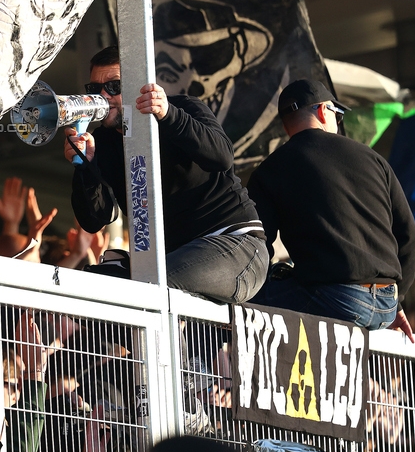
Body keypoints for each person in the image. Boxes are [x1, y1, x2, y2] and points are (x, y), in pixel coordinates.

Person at [65, 46, 268, 304]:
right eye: (95, 89)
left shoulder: (182, 107)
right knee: (94, 289)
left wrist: (169, 115)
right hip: (172, 261)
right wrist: (85, 166)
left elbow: (222, 157)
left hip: (234, 244)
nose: (104, 96)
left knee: (148, 286)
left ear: (138, 83)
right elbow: (95, 220)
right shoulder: (102, 141)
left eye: (114, 86)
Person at [247, 79, 415, 337]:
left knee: (246, 298)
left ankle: (203, 358)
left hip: (335, 299)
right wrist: (398, 300)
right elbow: (409, 235)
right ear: (322, 110)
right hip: (387, 305)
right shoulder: (374, 159)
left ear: (285, 124)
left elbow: (256, 246)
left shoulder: (271, 169)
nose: (338, 122)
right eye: (338, 115)